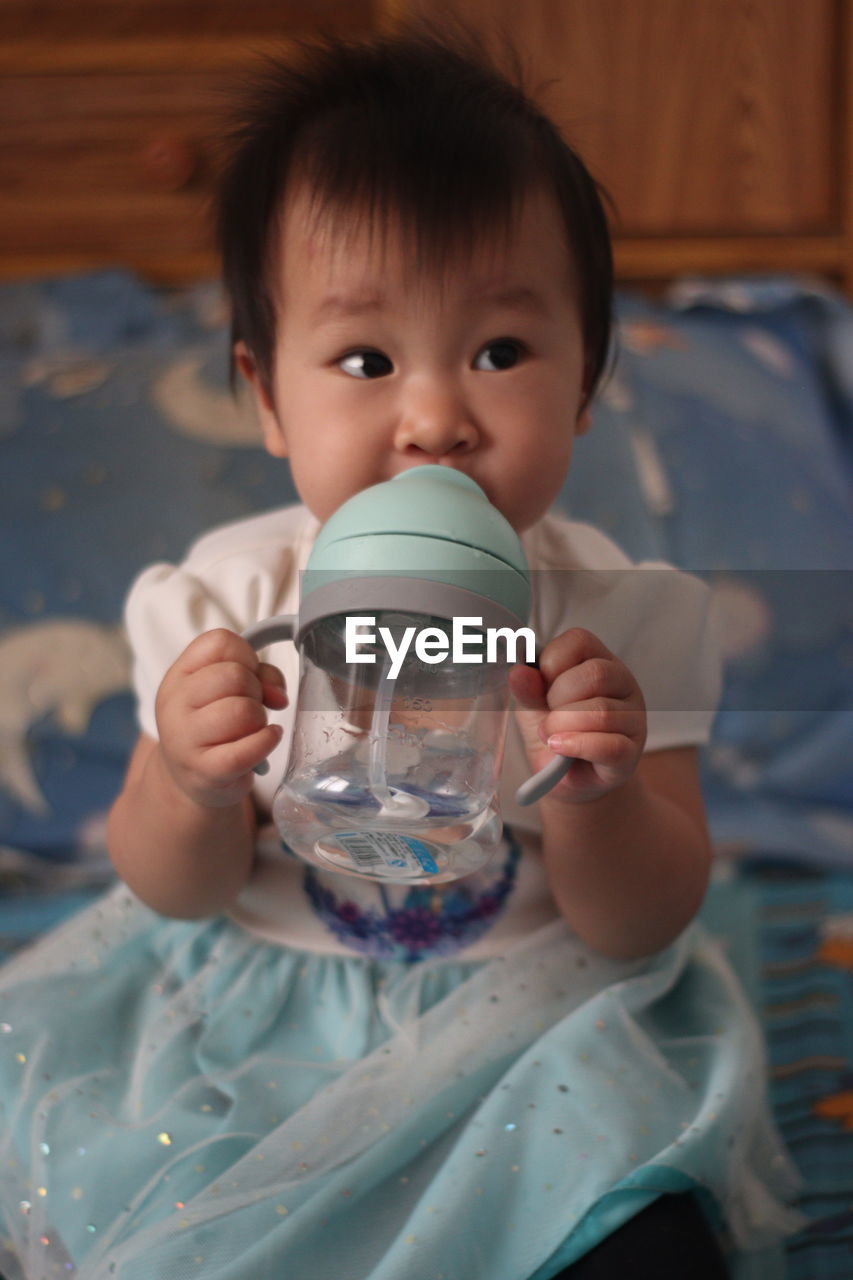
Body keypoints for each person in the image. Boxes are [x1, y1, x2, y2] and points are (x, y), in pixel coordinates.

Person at [0, 25, 803, 1280]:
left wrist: (603, 794)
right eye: (365, 359)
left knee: (635, 1233)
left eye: (500, 351)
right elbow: (171, 886)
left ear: (585, 383)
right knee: (173, 1217)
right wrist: (188, 783)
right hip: (260, 1020)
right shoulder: (230, 592)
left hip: (534, 1031)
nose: (434, 416)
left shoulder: (622, 613)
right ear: (267, 394)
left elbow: (646, 916)